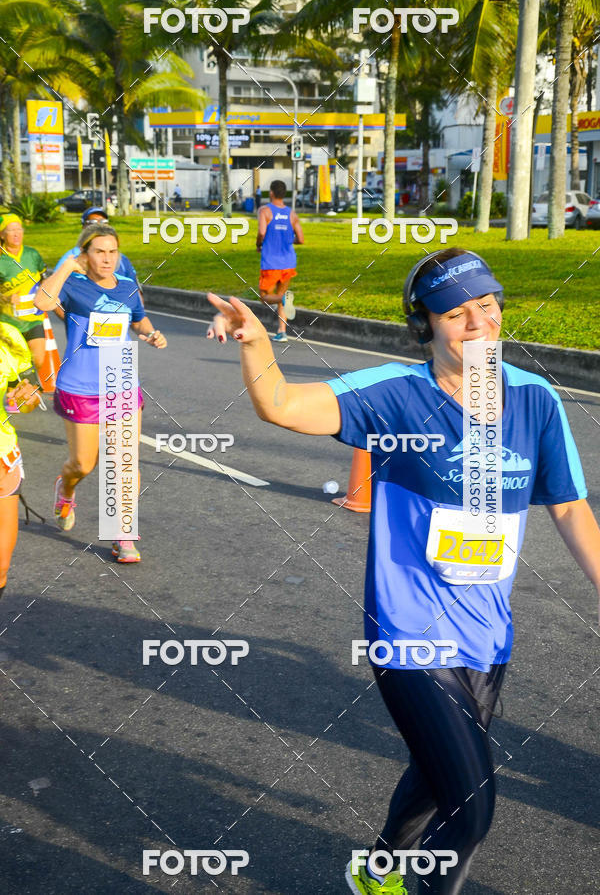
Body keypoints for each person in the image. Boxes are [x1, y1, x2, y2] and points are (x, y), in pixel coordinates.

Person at [206, 247, 600, 894]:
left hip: (486, 636)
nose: (478, 324)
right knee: (471, 810)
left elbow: (569, 506)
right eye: (456, 314)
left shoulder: (536, 401)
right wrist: (255, 343)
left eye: (487, 306)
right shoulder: (396, 396)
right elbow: (279, 404)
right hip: (409, 632)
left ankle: (379, 869)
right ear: (425, 325)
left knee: (433, 770)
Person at [33, 224, 167, 564]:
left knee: (125, 463)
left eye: (112, 251)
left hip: (121, 380)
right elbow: (41, 301)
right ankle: (66, 488)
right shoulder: (73, 285)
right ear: (85, 255)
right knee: (83, 463)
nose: (107, 259)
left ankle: (122, 534)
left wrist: (151, 334)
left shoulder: (126, 287)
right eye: (99, 252)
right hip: (80, 387)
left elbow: (138, 320)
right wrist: (66, 267)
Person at [0, 322, 43, 597]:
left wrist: (22, 400)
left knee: (0, 566)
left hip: (1, 455)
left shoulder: (8, 339)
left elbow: (22, 400)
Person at [256, 179, 304, 343]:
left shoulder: (265, 211)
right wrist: (289, 241)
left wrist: (258, 244)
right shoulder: (292, 214)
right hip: (289, 262)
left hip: (271, 262)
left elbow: (262, 232)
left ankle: (283, 300)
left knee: (264, 297)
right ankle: (282, 332)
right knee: (281, 295)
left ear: (271, 193)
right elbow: (301, 239)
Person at [0, 214, 47, 377]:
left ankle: (27, 389)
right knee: (16, 365)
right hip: (8, 323)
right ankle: (21, 394)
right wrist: (6, 298)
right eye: (11, 230)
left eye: (19, 229)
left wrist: (44, 292)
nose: (16, 234)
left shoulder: (32, 254)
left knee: (38, 359)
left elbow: (44, 279)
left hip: (33, 319)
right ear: (2, 234)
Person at [54, 207, 140, 287]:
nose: (99, 225)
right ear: (83, 227)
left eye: (103, 222)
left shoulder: (122, 259)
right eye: (92, 222)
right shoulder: (70, 259)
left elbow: (136, 291)